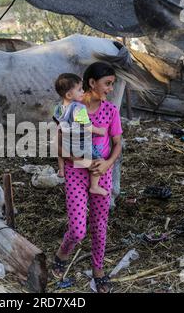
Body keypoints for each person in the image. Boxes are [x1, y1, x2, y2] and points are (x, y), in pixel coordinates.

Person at [52, 63, 123, 293]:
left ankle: (99, 270)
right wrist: (74, 160)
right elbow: (60, 142)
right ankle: (62, 253)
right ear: (92, 83)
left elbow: (118, 144)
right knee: (78, 230)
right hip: (76, 171)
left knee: (100, 225)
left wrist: (107, 164)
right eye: (107, 83)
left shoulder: (111, 111)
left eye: (112, 83)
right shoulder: (72, 109)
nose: (110, 88)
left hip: (102, 173)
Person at [53, 73, 108, 196]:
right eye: (79, 89)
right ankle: (94, 186)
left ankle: (61, 169)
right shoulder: (78, 108)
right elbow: (87, 126)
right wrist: (100, 131)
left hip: (67, 142)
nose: (83, 91)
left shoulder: (58, 108)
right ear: (69, 95)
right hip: (81, 143)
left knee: (59, 150)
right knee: (99, 160)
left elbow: (58, 124)